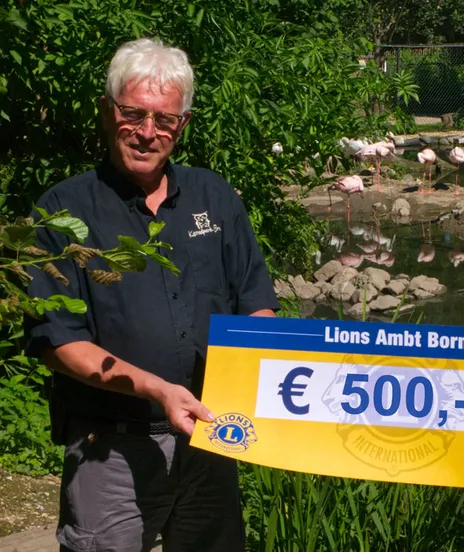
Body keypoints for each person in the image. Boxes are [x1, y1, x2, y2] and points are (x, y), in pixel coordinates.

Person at [25, 38, 279, 552]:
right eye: (133, 114)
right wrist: (157, 389)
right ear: (107, 110)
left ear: (182, 125)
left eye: (164, 120)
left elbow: (256, 300)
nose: (147, 132)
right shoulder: (62, 212)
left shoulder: (214, 196)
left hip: (211, 440)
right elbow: (58, 342)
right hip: (112, 448)